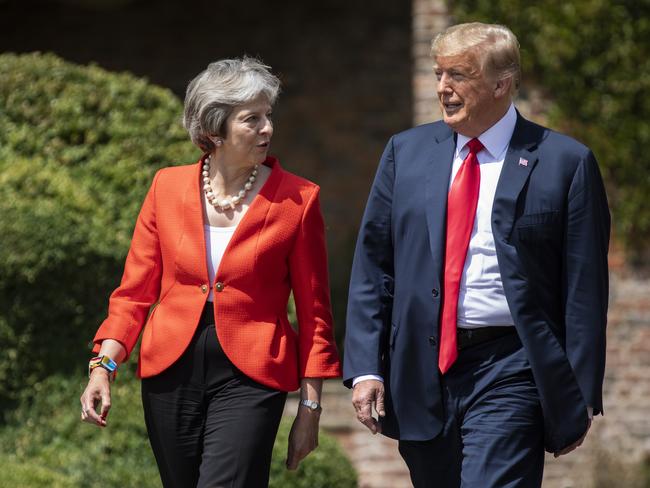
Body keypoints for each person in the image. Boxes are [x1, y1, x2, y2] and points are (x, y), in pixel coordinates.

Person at [344, 22, 610, 487]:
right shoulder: (404, 153)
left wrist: (582, 392)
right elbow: (374, 266)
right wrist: (367, 367)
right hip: (422, 369)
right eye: (439, 73)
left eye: (459, 75)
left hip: (511, 366)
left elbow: (584, 288)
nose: (443, 88)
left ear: (500, 84)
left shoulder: (564, 162)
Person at [79, 57, 341, 488]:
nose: (267, 128)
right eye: (251, 119)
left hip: (253, 371)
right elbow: (134, 292)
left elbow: (315, 315)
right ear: (214, 129)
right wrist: (102, 367)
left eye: (268, 116)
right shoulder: (166, 187)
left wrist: (310, 411)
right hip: (170, 368)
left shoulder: (299, 199)